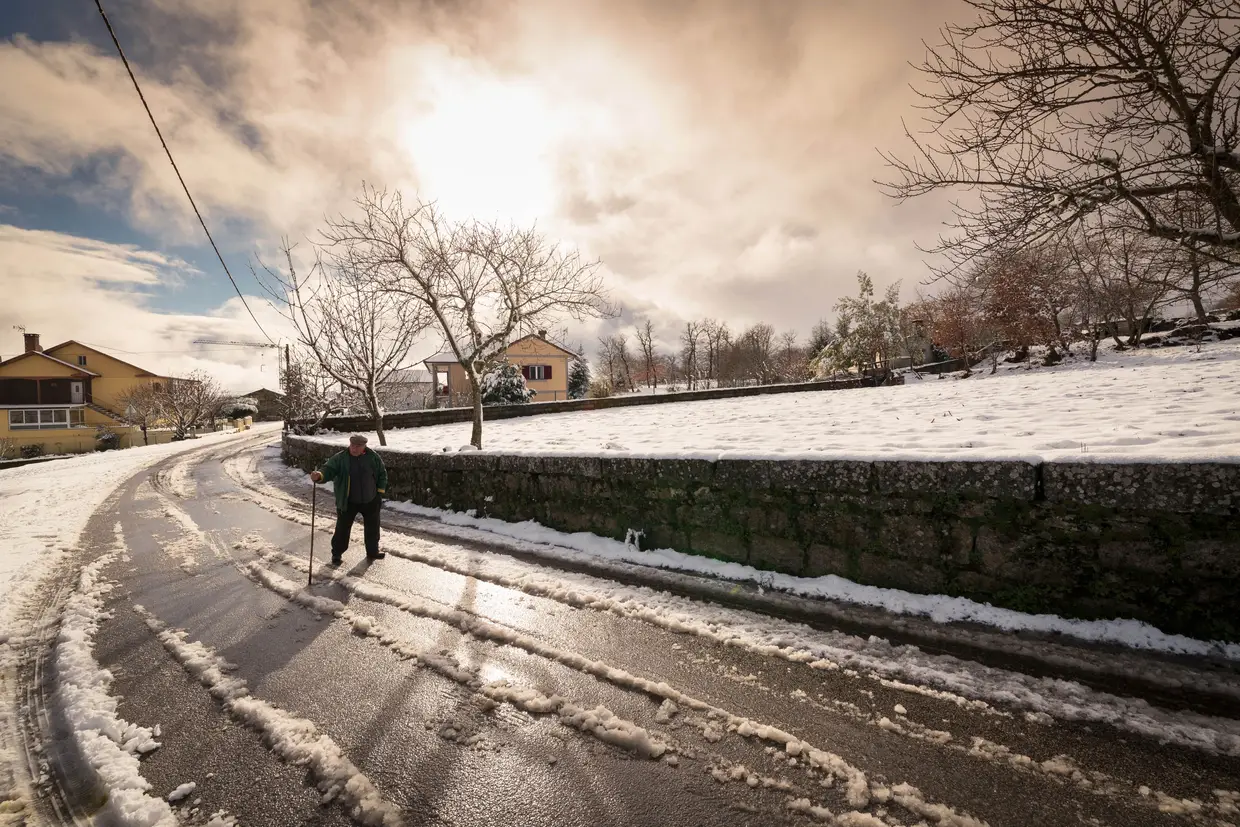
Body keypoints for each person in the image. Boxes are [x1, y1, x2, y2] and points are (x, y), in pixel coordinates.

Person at [310, 434, 388, 565]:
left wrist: (379, 492)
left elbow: (382, 474)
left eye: (358, 446)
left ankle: (372, 551)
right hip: (348, 501)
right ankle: (336, 554)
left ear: (364, 446)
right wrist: (319, 475)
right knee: (342, 529)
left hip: (370, 499)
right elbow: (328, 469)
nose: (354, 448)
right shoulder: (341, 458)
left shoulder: (373, 457)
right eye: (352, 445)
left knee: (372, 528)